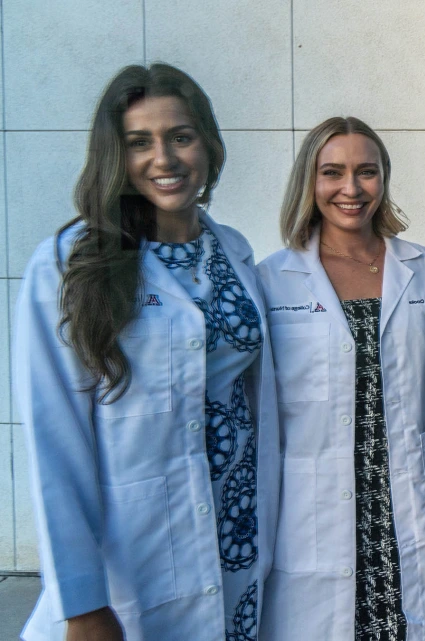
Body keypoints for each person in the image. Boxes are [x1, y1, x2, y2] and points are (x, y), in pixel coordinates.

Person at [14, 64, 280, 641]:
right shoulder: (69, 265)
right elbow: (56, 443)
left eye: (181, 137)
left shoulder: (232, 250)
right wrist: (82, 604)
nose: (164, 159)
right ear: (117, 156)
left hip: (236, 537)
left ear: (207, 145)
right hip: (137, 559)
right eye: (140, 142)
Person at [257, 116, 425, 640]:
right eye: (333, 173)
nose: (350, 188)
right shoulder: (272, 279)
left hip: (408, 496)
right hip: (315, 503)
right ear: (309, 181)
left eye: (366, 172)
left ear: (383, 180)